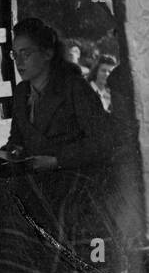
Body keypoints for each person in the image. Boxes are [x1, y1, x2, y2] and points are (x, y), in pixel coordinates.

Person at [8, 18, 110, 172]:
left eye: (26, 53)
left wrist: (58, 161)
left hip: (72, 177)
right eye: (15, 55)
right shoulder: (21, 92)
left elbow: (101, 142)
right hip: (36, 177)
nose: (19, 61)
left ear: (48, 53)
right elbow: (16, 140)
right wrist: (13, 150)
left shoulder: (75, 88)